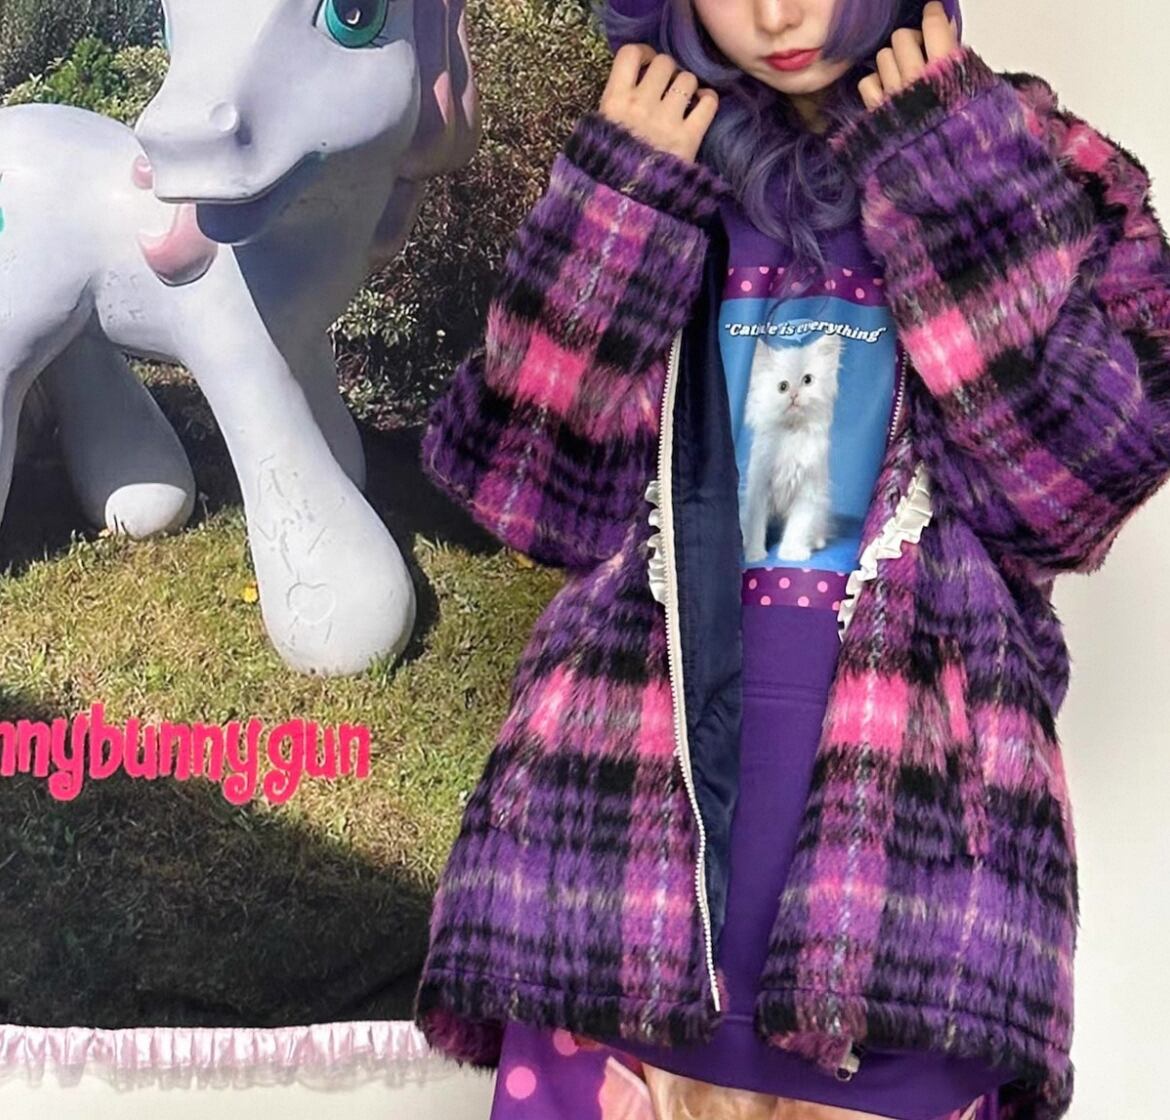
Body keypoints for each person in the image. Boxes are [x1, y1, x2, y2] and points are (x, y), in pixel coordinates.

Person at [412, 0, 1170, 1117]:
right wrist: (623, 198)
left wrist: (952, 176)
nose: (778, 15)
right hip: (613, 872)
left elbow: (1072, 490)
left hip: (910, 904)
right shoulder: (659, 147)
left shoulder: (1038, 163)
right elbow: (530, 492)